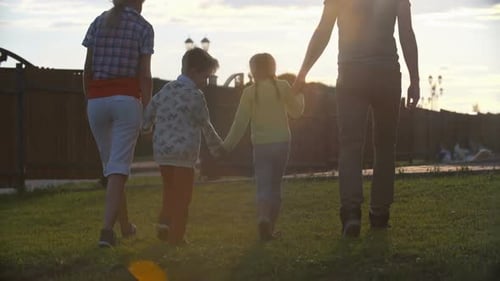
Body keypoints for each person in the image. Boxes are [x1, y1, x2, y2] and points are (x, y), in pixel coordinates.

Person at [293, 0, 420, 237]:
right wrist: (415, 79)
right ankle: (380, 213)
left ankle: (351, 213)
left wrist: (303, 72)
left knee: (350, 146)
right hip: (387, 73)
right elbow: (406, 33)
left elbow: (323, 30)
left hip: (351, 73)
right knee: (385, 146)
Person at [82, 0, 154, 247]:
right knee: (119, 168)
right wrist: (147, 110)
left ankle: (125, 226)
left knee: (112, 168)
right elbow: (144, 74)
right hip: (126, 99)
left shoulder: (98, 21)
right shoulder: (144, 27)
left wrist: (90, 98)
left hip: (96, 100)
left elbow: (87, 68)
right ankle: (106, 231)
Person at [142, 47, 223, 245]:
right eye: (205, 77)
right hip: (184, 155)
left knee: (169, 190)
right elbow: (205, 124)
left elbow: (149, 111)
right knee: (184, 196)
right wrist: (217, 147)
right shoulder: (195, 96)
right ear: (194, 72)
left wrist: (146, 129)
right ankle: (177, 236)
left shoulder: (166, 90)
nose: (206, 82)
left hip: (163, 153)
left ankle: (164, 223)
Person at [223, 53, 305, 241]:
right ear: (273, 68)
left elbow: (239, 123)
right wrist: (300, 95)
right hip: (282, 143)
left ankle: (262, 218)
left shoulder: (249, 92)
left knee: (263, 185)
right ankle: (270, 227)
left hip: (261, 146)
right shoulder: (283, 87)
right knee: (275, 186)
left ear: (253, 70)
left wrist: (226, 146)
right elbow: (297, 112)